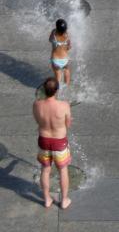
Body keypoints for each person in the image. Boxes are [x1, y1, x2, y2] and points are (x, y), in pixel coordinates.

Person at [33, 77, 72, 209]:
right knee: (63, 170)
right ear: (57, 91)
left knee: (45, 170)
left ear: (44, 90)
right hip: (59, 141)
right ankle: (64, 200)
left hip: (44, 140)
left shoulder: (37, 104)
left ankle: (47, 199)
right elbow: (68, 124)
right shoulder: (64, 105)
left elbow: (38, 121)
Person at [48, 19, 71, 90]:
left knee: (58, 76)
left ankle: (56, 91)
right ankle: (66, 87)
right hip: (65, 59)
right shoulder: (67, 35)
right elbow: (69, 46)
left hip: (56, 60)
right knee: (67, 72)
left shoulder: (54, 33)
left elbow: (50, 40)